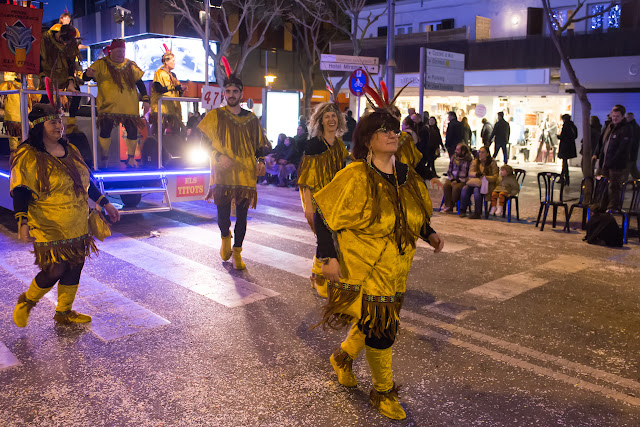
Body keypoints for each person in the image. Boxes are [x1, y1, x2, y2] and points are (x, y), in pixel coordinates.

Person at [313, 109, 444, 421]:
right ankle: (383, 392)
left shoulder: (409, 177)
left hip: (396, 269)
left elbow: (412, 215)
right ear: (367, 140)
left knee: (374, 321)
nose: (392, 134)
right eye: (384, 130)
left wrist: (430, 233)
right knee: (382, 331)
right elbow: (323, 213)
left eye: (394, 129)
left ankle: (343, 358)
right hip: (364, 268)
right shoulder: (355, 175)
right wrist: (327, 256)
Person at [10, 103, 120, 328]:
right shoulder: (28, 154)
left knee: (76, 264)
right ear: (39, 125)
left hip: (77, 221)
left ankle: (64, 313)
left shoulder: (71, 150)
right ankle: (27, 301)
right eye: (53, 122)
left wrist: (105, 204)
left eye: (59, 121)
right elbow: (21, 190)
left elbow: (85, 181)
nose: (59, 126)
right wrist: (22, 222)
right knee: (56, 268)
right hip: (48, 222)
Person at [197, 65, 269, 270]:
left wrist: (261, 160)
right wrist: (218, 157)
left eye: (235, 91)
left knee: (243, 216)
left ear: (241, 94)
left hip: (246, 172)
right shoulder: (215, 116)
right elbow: (203, 144)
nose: (231, 95)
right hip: (222, 172)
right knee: (222, 215)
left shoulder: (252, 118)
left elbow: (259, 145)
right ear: (224, 93)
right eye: (228, 91)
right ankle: (225, 237)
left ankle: (237, 252)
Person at [297, 101, 349, 297]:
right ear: (320, 121)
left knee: (330, 238)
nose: (331, 119)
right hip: (317, 200)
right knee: (324, 237)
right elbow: (306, 180)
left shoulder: (340, 146)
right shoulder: (313, 145)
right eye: (326, 116)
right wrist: (308, 206)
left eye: (334, 116)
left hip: (335, 200)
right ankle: (319, 277)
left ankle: (316, 273)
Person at [84, 39, 150, 168]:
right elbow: (84, 78)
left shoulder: (131, 65)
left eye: (123, 51)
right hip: (108, 106)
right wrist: (87, 74)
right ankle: (104, 159)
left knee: (132, 131)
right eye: (118, 51)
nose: (121, 54)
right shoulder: (100, 64)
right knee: (105, 130)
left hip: (129, 107)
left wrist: (146, 100)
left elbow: (140, 83)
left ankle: (131, 159)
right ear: (111, 51)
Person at [39, 23, 83, 135]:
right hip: (49, 74)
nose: (64, 43)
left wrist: (71, 83)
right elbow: (39, 59)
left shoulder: (70, 43)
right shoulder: (44, 39)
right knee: (45, 100)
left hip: (63, 74)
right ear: (59, 34)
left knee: (77, 94)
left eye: (67, 42)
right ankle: (38, 126)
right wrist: (43, 76)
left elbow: (70, 63)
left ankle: (71, 125)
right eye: (63, 40)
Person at [592, 105, 634, 211]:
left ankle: (613, 208)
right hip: (605, 162)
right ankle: (602, 206)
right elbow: (603, 142)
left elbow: (622, 148)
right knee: (603, 185)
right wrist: (597, 154)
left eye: (617, 116)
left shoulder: (626, 129)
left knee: (614, 187)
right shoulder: (610, 127)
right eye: (613, 115)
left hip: (616, 165)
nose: (615, 118)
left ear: (622, 116)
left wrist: (612, 161)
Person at [150, 44, 187, 136]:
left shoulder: (173, 76)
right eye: (173, 61)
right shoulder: (159, 73)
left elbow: (177, 93)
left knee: (176, 133)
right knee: (158, 133)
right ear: (166, 62)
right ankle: (155, 148)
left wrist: (181, 90)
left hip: (173, 109)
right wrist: (174, 88)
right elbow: (158, 89)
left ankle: (173, 149)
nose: (174, 63)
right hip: (161, 109)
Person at [459, 146, 499, 219]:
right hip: (475, 182)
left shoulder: (492, 163)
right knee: (465, 188)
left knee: (477, 190)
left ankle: (477, 212)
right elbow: (470, 172)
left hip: (487, 184)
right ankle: (462, 210)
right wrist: (476, 174)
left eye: (483, 152)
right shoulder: (476, 161)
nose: (480, 154)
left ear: (487, 154)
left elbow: (496, 177)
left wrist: (485, 177)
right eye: (479, 152)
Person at [442, 142, 472, 213]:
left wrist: (458, 181)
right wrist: (452, 179)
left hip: (462, 180)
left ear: (463, 151)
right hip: (453, 178)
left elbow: (469, 175)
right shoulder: (454, 157)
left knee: (456, 188)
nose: (455, 151)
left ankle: (451, 204)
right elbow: (449, 171)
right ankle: (449, 206)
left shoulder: (469, 160)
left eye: (458, 150)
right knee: (446, 185)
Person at [557, 114, 578, 185]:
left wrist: (558, 136)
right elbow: (575, 136)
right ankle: (562, 177)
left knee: (564, 163)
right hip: (570, 147)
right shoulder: (573, 126)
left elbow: (563, 136)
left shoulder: (566, 126)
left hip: (565, 147)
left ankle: (565, 178)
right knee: (565, 162)